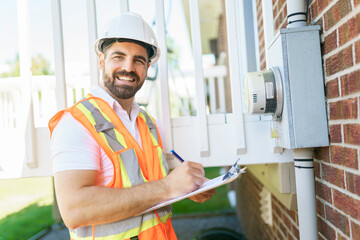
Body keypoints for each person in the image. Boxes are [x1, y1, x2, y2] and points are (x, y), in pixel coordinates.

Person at [49, 12, 215, 240]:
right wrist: (167, 187)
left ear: (147, 68)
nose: (128, 67)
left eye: (138, 60)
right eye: (118, 56)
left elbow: (144, 181)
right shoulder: (76, 123)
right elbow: (74, 210)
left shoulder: (146, 122)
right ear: (101, 61)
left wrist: (185, 186)